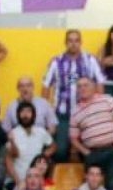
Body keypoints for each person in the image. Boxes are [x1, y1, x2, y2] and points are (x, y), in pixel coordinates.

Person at [42, 30, 104, 161]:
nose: (73, 44)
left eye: (76, 40)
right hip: (63, 115)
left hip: (86, 113)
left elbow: (99, 82)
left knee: (88, 151)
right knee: (60, 152)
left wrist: (97, 107)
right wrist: (45, 113)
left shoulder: (90, 60)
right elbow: (46, 86)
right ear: (65, 43)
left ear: (81, 42)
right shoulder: (56, 61)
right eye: (70, 40)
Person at [69, 76, 113, 190]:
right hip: (92, 153)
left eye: (86, 85)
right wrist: (86, 152)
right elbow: (73, 138)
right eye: (79, 86)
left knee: (111, 185)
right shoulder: (75, 111)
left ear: (93, 87)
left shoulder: (107, 100)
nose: (82, 88)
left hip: (112, 150)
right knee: (90, 188)